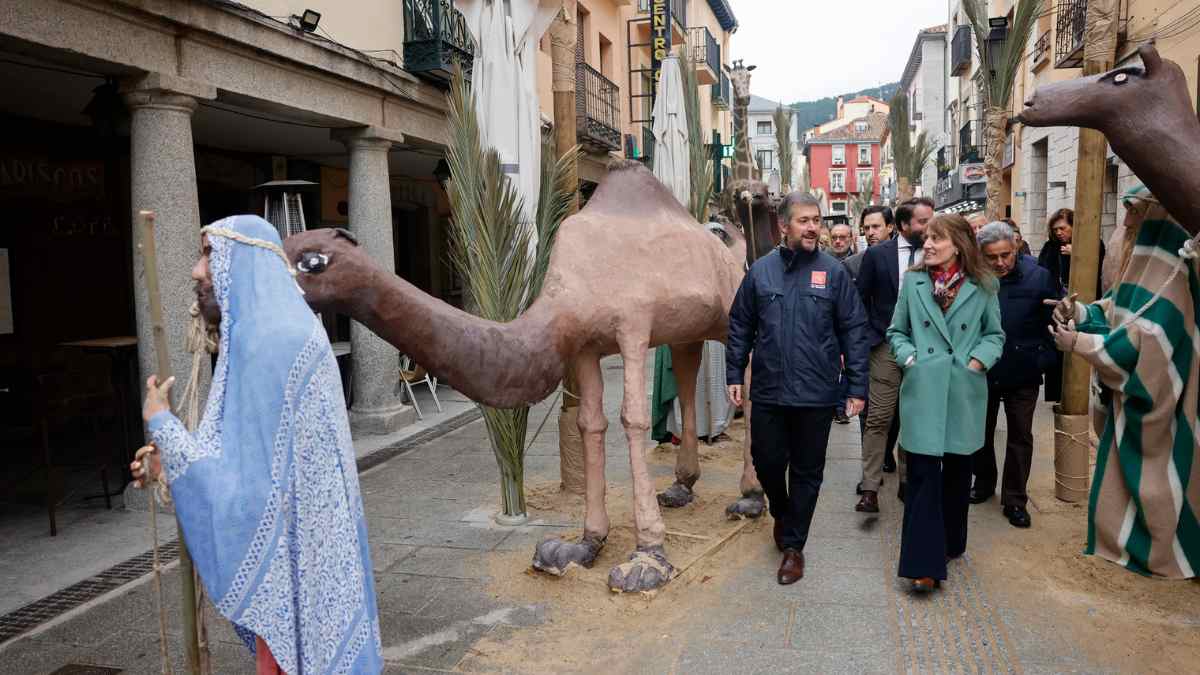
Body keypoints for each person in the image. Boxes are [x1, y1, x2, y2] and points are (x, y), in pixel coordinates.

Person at [129, 215, 383, 674]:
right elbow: (250, 469)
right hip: (313, 569)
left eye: (209, 255)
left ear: (242, 263)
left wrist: (162, 424)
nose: (197, 271)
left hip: (296, 570)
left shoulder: (269, 344)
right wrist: (171, 465)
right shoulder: (284, 333)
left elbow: (248, 500)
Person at [727, 191, 869, 585]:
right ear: (784, 226)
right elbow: (740, 324)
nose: (812, 227)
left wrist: (856, 386)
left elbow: (854, 330)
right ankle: (783, 512)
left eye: (816, 220)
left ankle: (793, 546)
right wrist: (734, 374)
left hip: (816, 393)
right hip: (770, 390)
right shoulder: (761, 272)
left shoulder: (834, 273)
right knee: (767, 462)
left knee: (807, 471)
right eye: (804, 220)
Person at [888, 213, 1005, 593]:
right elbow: (896, 331)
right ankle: (924, 565)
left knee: (957, 476)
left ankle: (952, 543)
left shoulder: (984, 285)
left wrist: (978, 361)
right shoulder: (914, 282)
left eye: (937, 238)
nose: (929, 244)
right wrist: (909, 359)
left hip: (964, 390)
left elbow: (995, 335)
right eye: (927, 239)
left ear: (958, 243)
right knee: (922, 477)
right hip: (924, 388)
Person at [971, 222, 1060, 528]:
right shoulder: (974, 278)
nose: (1000, 263)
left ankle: (1015, 499)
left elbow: (1055, 320)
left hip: (1025, 370)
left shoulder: (1039, 277)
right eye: (992, 257)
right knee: (980, 433)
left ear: (1016, 247)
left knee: (1020, 436)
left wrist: (1044, 359)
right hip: (982, 370)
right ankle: (983, 484)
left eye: (1005, 255)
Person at [853, 197, 935, 512]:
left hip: (925, 347)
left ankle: (907, 482)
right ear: (903, 225)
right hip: (885, 346)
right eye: (923, 221)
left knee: (914, 416)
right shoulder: (877, 255)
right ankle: (870, 486)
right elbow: (860, 300)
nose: (930, 226)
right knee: (879, 417)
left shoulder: (937, 252)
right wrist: (864, 341)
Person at [1037, 208, 1107, 290]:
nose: (1058, 233)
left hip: (1087, 293)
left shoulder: (1092, 242)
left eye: (1062, 228)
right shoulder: (1050, 247)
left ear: (1074, 226)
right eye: (1055, 230)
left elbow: (1100, 268)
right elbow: (1042, 271)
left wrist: (1078, 253)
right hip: (1057, 295)